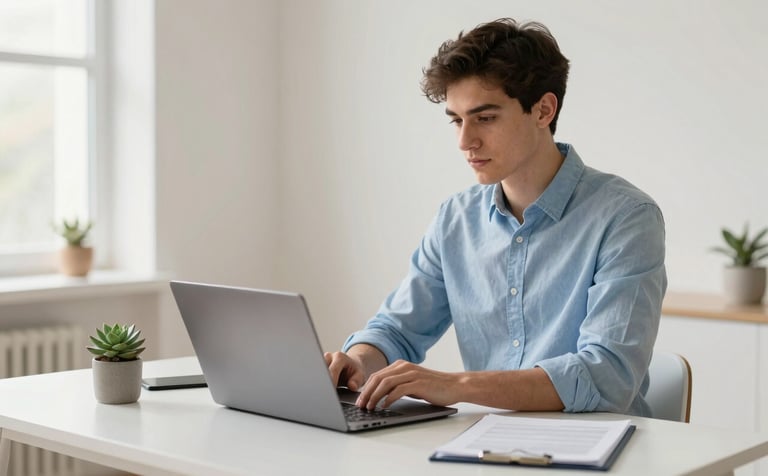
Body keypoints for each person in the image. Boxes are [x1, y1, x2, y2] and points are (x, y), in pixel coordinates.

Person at [324, 18, 666, 417]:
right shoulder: (456, 219)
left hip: (600, 450)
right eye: (456, 119)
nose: (465, 141)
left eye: (485, 118)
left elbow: (607, 377)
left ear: (543, 109)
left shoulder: (626, 218)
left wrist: (456, 385)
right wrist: (360, 360)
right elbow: (397, 329)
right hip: (485, 447)